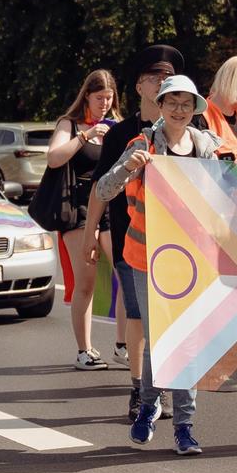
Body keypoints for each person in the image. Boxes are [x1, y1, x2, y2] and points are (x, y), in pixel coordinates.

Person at [94, 73, 218, 456]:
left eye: (186, 104)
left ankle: (182, 425)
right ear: (160, 106)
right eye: (172, 103)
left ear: (195, 109)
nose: (179, 110)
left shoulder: (204, 148)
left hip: (190, 262)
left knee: (186, 342)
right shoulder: (142, 143)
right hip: (145, 257)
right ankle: (151, 407)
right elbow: (103, 189)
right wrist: (127, 167)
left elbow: (221, 200)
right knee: (162, 340)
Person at [82, 44, 182, 419]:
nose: (162, 84)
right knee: (139, 317)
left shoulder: (189, 132)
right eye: (155, 78)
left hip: (177, 244)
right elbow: (100, 188)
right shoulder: (121, 133)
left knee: (169, 318)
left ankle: (164, 386)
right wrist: (91, 233)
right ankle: (141, 389)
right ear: (139, 86)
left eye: (168, 79)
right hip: (133, 240)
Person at [46, 69, 120, 369]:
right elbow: (54, 157)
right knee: (86, 280)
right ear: (86, 96)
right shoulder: (70, 123)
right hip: (77, 208)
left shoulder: (116, 125)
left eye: (109, 97)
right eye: (99, 97)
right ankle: (84, 350)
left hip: (110, 206)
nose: (104, 103)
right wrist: (87, 135)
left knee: (126, 274)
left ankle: (123, 345)